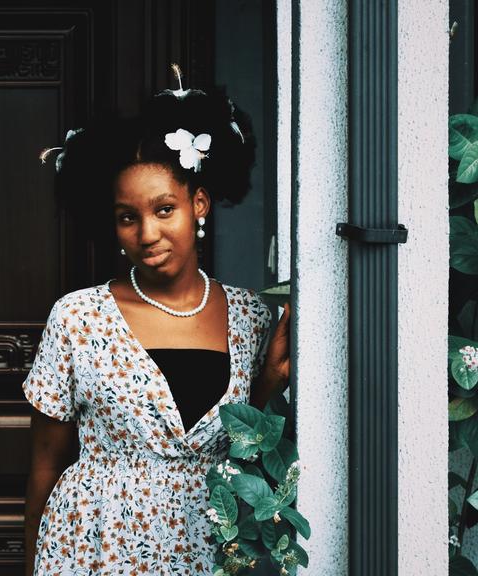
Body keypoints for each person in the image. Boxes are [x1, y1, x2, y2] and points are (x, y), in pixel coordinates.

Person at [22, 68, 290, 575]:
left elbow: (248, 446)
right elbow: (44, 465)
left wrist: (269, 385)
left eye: (165, 209)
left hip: (208, 549)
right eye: (128, 217)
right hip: (95, 548)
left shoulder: (252, 317)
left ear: (199, 205)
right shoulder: (78, 317)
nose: (147, 233)